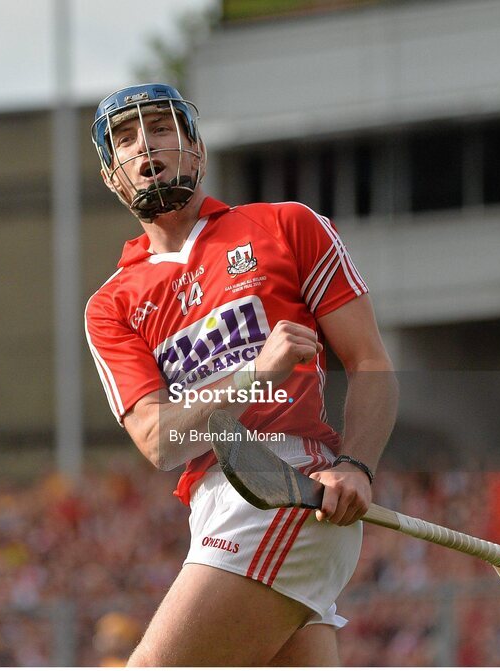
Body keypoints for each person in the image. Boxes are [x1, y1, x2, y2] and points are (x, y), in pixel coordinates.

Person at [84, 83, 398, 666]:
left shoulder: (286, 226)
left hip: (289, 488)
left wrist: (357, 465)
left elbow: (371, 362)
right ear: (111, 174)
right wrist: (255, 372)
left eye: (158, 127)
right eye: (124, 139)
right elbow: (160, 440)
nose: (144, 145)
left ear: (194, 146)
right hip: (214, 503)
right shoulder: (112, 305)